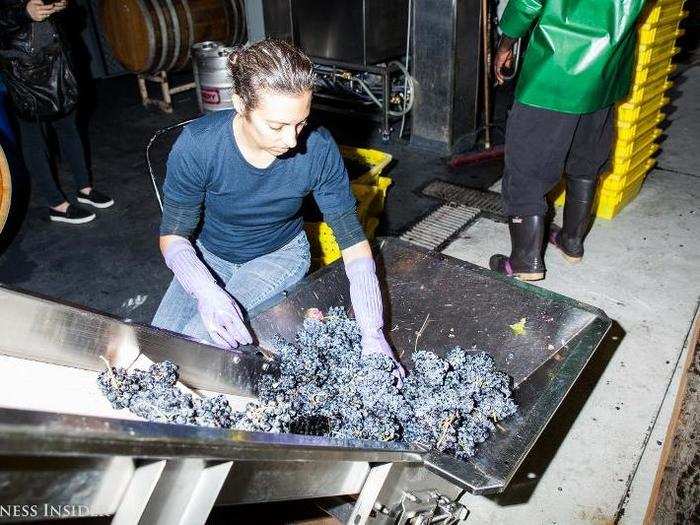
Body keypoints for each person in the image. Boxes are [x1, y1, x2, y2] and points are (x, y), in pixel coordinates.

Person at [152, 39, 405, 381]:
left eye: (300, 122)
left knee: (201, 341)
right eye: (276, 126)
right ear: (240, 103)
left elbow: (354, 245)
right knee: (158, 348)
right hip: (209, 254)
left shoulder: (317, 148)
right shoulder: (199, 146)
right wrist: (206, 290)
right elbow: (173, 237)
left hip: (278, 255)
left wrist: (373, 332)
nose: (292, 141)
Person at [489, 0, 647, 280]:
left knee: (526, 168)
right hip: (606, 71)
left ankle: (525, 260)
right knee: (586, 160)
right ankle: (571, 241)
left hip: (555, 71)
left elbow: (528, 2)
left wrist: (506, 41)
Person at [0, 0, 113, 224]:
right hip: (23, 67)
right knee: (34, 139)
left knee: (69, 126)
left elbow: (76, 16)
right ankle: (56, 204)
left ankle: (84, 187)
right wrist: (24, 13)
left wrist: (61, 5)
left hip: (56, 60)